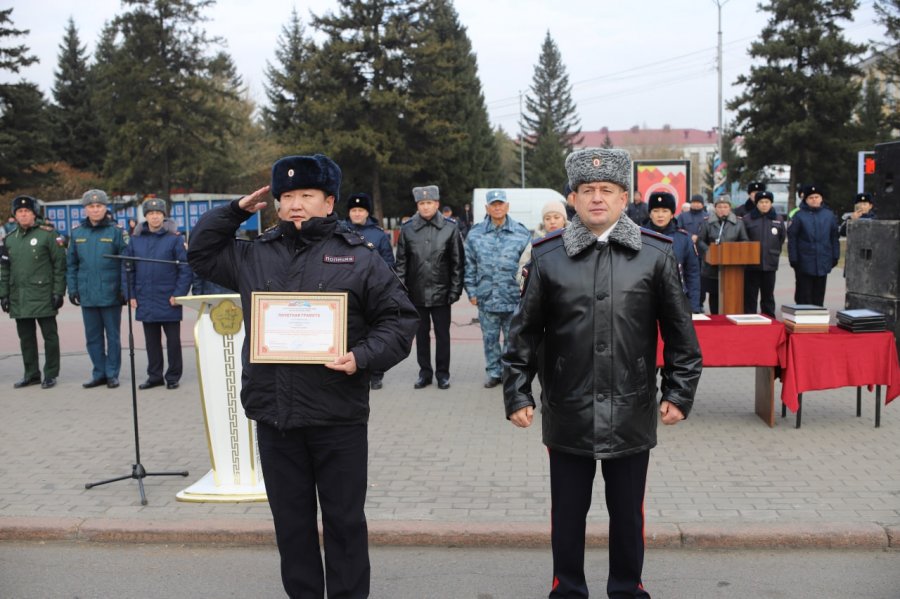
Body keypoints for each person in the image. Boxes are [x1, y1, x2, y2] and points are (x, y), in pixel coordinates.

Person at [187, 153, 418, 599]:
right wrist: (235, 211)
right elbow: (200, 252)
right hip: (276, 417)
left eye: (307, 195)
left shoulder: (358, 257)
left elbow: (399, 320)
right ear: (276, 203)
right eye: (287, 196)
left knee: (344, 523)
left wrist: (361, 357)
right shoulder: (255, 254)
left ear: (328, 201)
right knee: (291, 526)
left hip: (338, 416)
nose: (296, 204)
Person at [503, 148, 702, 598]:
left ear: (623, 197)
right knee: (567, 514)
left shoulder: (655, 254)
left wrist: (679, 391)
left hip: (631, 409)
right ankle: (567, 589)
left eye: (607, 190)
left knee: (628, 515)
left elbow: (681, 333)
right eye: (587, 190)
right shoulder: (548, 256)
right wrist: (518, 392)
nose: (597, 198)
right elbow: (524, 333)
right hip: (568, 409)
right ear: (572, 198)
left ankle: (627, 589)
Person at [394, 184, 464, 390]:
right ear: (417, 205)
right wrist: (401, 292)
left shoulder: (450, 228)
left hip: (442, 293)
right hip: (415, 294)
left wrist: (455, 290)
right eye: (422, 203)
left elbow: (457, 263)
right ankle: (424, 373)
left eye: (429, 203)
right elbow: (401, 264)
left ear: (437, 204)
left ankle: (443, 374)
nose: (425, 207)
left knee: (443, 336)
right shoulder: (407, 229)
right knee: (421, 336)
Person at [464, 189, 531, 388]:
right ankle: (494, 372)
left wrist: (526, 294)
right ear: (487, 208)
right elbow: (469, 265)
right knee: (490, 339)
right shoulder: (475, 234)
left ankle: (510, 373)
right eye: (493, 205)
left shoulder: (521, 233)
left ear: (507, 206)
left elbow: (528, 266)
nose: (497, 207)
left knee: (513, 340)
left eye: (500, 204)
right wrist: (471, 292)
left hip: (513, 298)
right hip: (487, 298)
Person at [124, 198, 192, 390]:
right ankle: (154, 376)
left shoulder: (174, 239)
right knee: (151, 342)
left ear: (164, 216)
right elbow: (128, 269)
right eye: (151, 213)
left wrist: (179, 294)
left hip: (169, 298)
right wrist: (130, 294)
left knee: (173, 342)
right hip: (145, 298)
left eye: (158, 213)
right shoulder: (136, 240)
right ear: (145, 217)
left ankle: (173, 376)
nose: (155, 217)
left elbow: (185, 268)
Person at [0, 195, 67, 389]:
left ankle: (51, 374)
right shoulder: (9, 240)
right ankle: (31, 374)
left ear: (34, 214)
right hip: (19, 296)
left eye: (27, 211)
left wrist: (58, 292)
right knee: (26, 338)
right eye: (20, 212)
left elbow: (59, 265)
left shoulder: (48, 235)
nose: (23, 215)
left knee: (50, 337)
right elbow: (4, 269)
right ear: (15, 215)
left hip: (44, 295)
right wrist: (3, 294)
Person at [66, 189, 130, 389]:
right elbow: (71, 264)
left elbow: (126, 263)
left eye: (99, 206)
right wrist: (73, 289)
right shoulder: (77, 233)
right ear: (85, 209)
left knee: (113, 337)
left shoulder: (117, 231)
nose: (95, 210)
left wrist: (124, 289)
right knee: (92, 337)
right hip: (87, 293)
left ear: (105, 208)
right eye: (91, 206)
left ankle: (112, 374)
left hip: (111, 292)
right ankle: (99, 373)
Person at [342, 192, 395, 390]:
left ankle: (376, 374)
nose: (357, 213)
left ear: (367, 212)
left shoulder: (378, 235)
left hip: (372, 291)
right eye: (353, 210)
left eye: (361, 210)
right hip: (347, 290)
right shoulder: (340, 230)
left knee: (375, 332)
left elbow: (389, 263)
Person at [646, 191, 702, 313]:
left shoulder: (684, 239)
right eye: (656, 211)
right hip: (645, 302)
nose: (660, 215)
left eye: (665, 211)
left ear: (672, 214)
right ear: (650, 214)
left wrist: (694, 307)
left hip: (676, 302)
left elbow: (692, 274)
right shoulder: (639, 237)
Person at [787, 184, 840, 306]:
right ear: (805, 200)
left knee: (818, 296)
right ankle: (803, 316)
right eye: (811, 197)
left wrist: (835, 256)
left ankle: (818, 316)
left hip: (823, 261)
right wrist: (793, 258)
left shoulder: (829, 215)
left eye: (817, 197)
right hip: (804, 262)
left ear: (821, 198)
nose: (814, 200)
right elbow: (792, 239)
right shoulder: (798, 216)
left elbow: (834, 238)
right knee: (804, 296)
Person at [696, 196, 749, 313]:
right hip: (712, 267)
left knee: (730, 296)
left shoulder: (738, 223)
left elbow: (744, 241)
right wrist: (710, 251)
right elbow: (700, 241)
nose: (722, 209)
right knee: (714, 295)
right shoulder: (707, 222)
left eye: (725, 207)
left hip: (732, 268)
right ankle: (715, 318)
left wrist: (734, 251)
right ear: (715, 208)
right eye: (719, 207)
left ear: (730, 208)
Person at [742, 190, 786, 317]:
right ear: (757, 203)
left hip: (770, 263)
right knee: (750, 295)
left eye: (767, 202)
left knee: (768, 295)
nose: (764, 204)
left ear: (771, 203)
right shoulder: (747, 219)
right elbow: (744, 239)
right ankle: (749, 318)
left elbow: (781, 238)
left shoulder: (778, 219)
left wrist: (774, 252)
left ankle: (769, 318)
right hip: (752, 264)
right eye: (761, 202)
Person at [517, 199, 569, 288]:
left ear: (564, 220)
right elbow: (522, 274)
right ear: (543, 222)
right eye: (547, 218)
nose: (552, 221)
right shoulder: (535, 244)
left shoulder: (575, 240)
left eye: (556, 217)